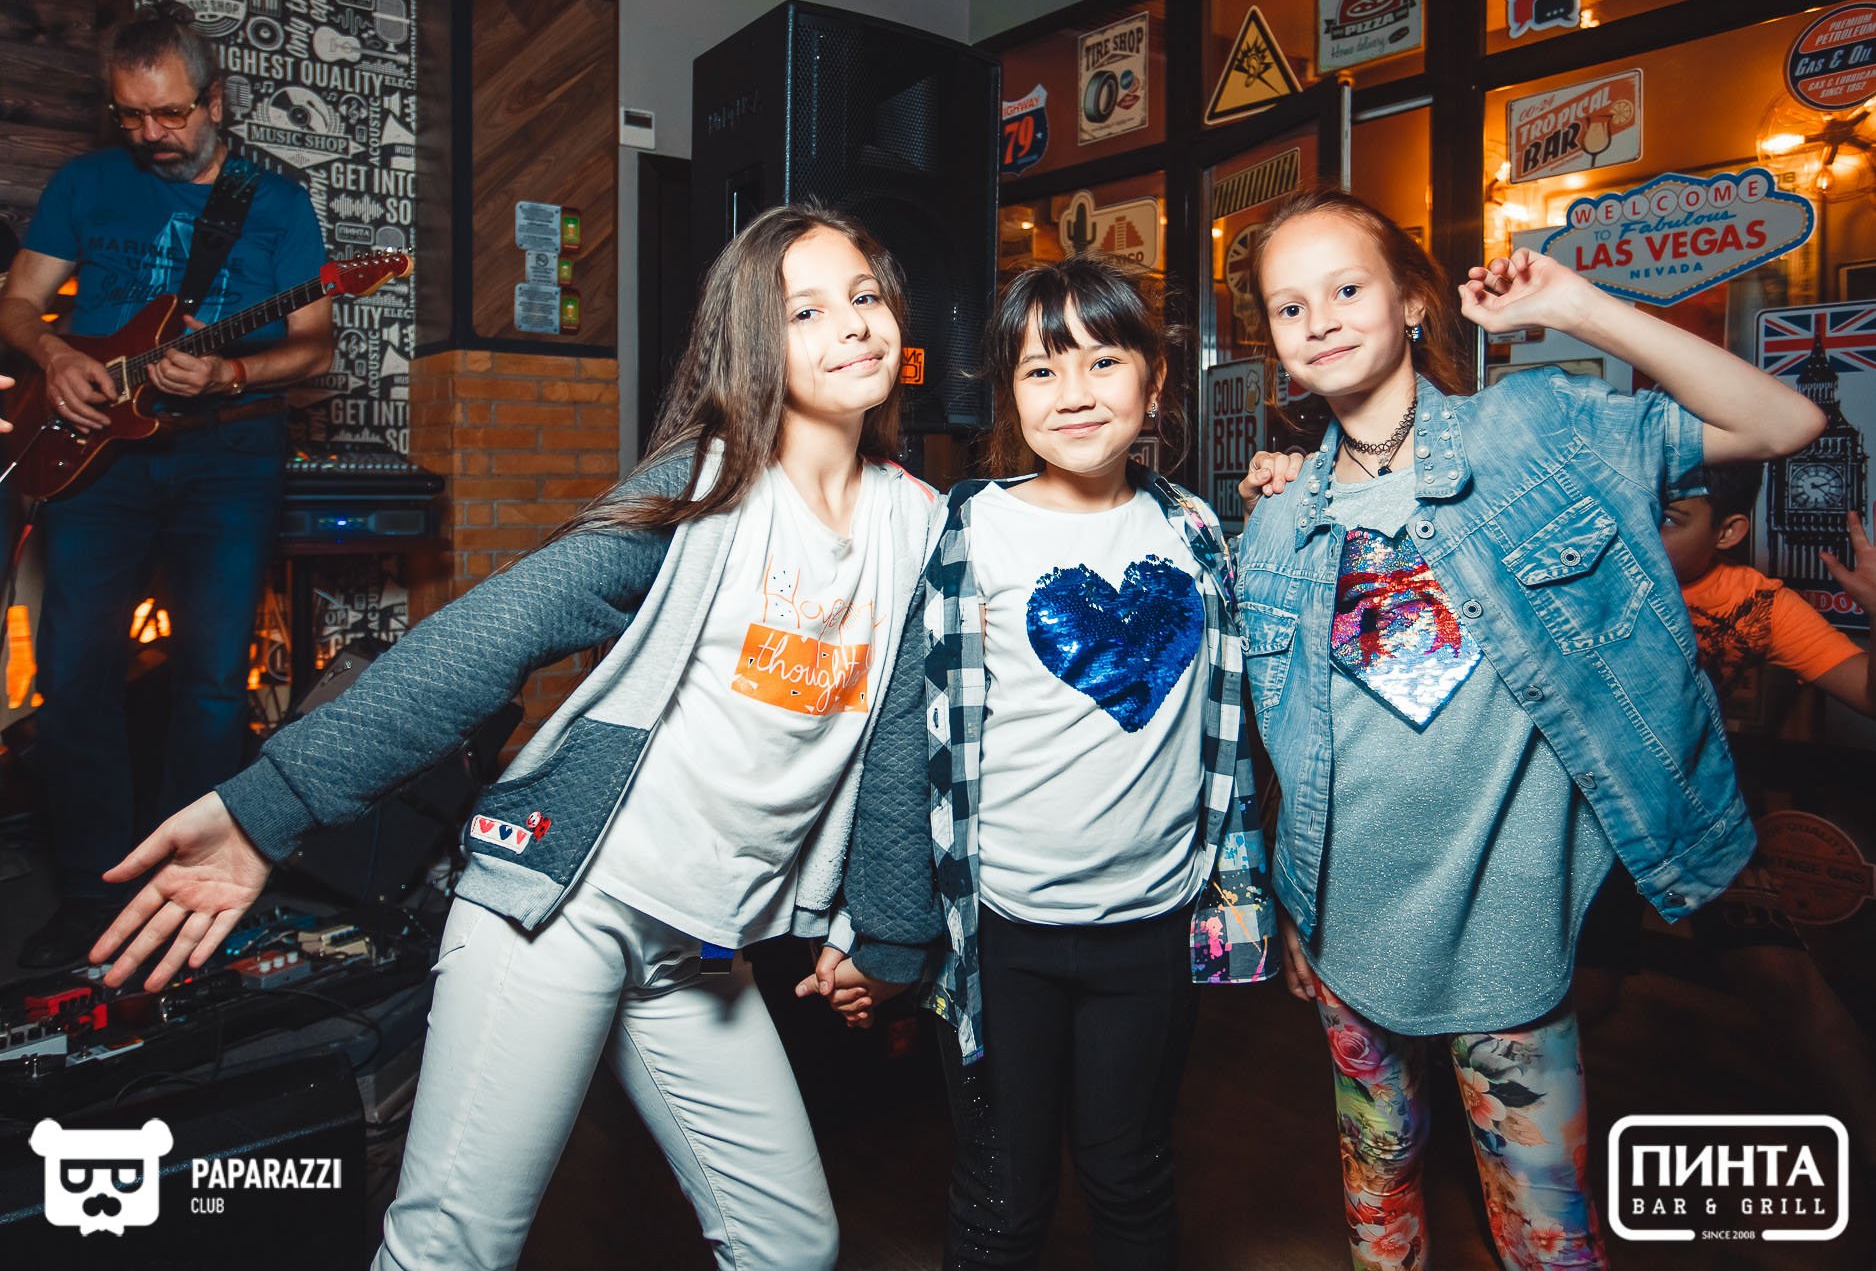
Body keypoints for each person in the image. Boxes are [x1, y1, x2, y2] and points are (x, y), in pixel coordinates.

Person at [88, 203, 939, 1271]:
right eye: (806, 310)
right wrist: (271, 806)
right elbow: (495, 632)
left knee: (792, 1245)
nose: (852, 323)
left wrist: (892, 936)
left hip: (699, 947)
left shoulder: (918, 524)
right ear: (752, 343)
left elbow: (898, 739)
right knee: (453, 1252)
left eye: (863, 296)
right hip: (560, 908)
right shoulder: (705, 487)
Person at [1233, 188, 1824, 1268]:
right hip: (1346, 921)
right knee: (1378, 1204)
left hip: (1509, 931)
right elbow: (1290, 747)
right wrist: (1293, 910)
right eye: (1289, 306)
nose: (1319, 320)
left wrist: (1580, 307)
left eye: (1348, 287)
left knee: (1547, 1227)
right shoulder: (1275, 522)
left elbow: (1782, 424)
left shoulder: (1535, 431)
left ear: (1414, 301)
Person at [806, 254, 1275, 1269]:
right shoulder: (967, 528)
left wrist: (1288, 486)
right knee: (1001, 1193)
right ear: (1009, 396)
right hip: (999, 933)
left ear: (1155, 379)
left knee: (1131, 1174)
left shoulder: (1197, 532)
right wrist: (867, 925)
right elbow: (902, 737)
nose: (1074, 393)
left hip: (1153, 925)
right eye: (1040, 369)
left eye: (1103, 362)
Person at [0, 4, 332, 968]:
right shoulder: (85, 183)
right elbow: (17, 303)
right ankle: (92, 894)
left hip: (227, 453)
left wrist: (230, 373)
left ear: (215, 100)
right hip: (97, 452)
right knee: (75, 674)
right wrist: (56, 356)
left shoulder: (277, 204)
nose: (151, 134)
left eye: (171, 114)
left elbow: (314, 348)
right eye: (131, 115)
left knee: (213, 681)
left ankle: (187, 895)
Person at [1574, 462, 1876, 1171]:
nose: (1636, 530)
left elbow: (1866, 692)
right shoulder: (1582, 579)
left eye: (1668, 518)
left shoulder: (1754, 601)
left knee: (1789, 987)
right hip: (1588, 824)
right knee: (1587, 995)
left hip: (1695, 820)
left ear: (1731, 530)